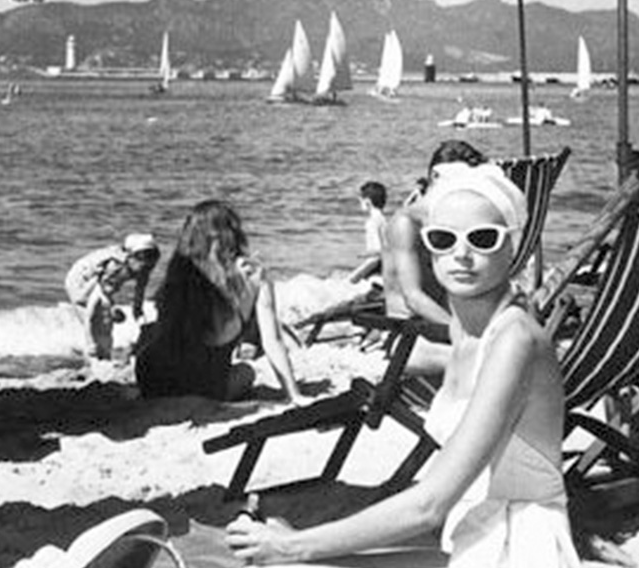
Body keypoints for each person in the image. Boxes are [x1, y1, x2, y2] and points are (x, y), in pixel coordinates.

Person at [226, 164, 581, 568]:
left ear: (513, 247)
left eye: (482, 239)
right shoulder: (469, 331)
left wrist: (295, 546)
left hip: (518, 548)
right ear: (427, 247)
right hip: (475, 532)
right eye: (443, 239)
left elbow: (429, 504)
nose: (460, 254)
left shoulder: (514, 339)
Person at [133, 200, 304, 403]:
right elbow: (272, 340)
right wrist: (294, 395)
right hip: (208, 387)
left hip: (152, 381)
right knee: (246, 372)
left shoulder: (182, 271)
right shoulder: (255, 275)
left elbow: (165, 328)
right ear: (234, 233)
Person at [382, 140, 487, 328]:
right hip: (409, 331)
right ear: (435, 176)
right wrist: (463, 332)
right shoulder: (406, 223)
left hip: (439, 323)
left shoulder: (449, 221)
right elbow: (413, 298)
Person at [65, 233, 160, 361]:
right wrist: (112, 308)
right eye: (144, 265)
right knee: (96, 320)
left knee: (104, 320)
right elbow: (98, 297)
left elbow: (138, 301)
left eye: (151, 265)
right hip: (80, 280)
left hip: (99, 281)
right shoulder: (114, 267)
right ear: (131, 258)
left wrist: (143, 326)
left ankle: (96, 353)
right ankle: (92, 353)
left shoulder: (143, 269)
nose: (147, 269)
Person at [349, 181, 388, 285]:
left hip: (376, 271)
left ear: (367, 202)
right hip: (386, 269)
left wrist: (355, 277)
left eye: (360, 200)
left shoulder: (372, 222)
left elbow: (376, 255)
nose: (360, 203)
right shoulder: (383, 220)